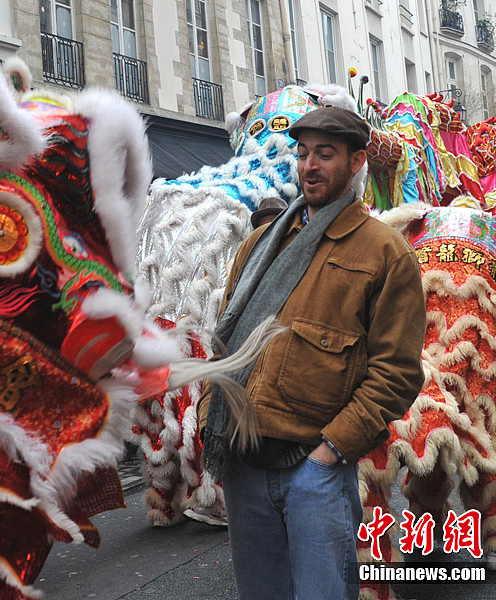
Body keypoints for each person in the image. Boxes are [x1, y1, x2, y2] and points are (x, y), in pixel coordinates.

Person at [197, 106, 425, 599]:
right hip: (245, 466)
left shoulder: (385, 253)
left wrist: (328, 454)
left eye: (325, 154)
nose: (309, 166)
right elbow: (223, 344)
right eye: (302, 154)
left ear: (357, 160)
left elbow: (397, 374)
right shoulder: (261, 243)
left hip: (314, 471)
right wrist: (206, 419)